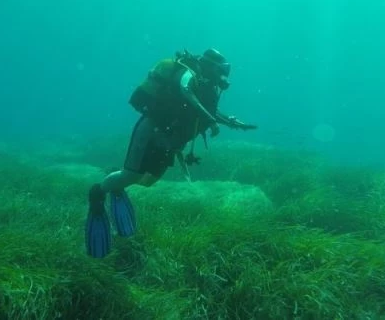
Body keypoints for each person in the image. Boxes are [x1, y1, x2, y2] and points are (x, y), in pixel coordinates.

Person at [85, 48, 258, 258]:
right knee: (132, 175)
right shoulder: (189, 73)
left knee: (148, 181)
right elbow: (185, 90)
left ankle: (118, 183)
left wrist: (230, 122)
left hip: (167, 140)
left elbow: (206, 109)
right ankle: (98, 193)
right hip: (151, 130)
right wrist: (211, 120)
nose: (222, 75)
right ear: (209, 65)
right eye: (220, 70)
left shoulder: (205, 84)